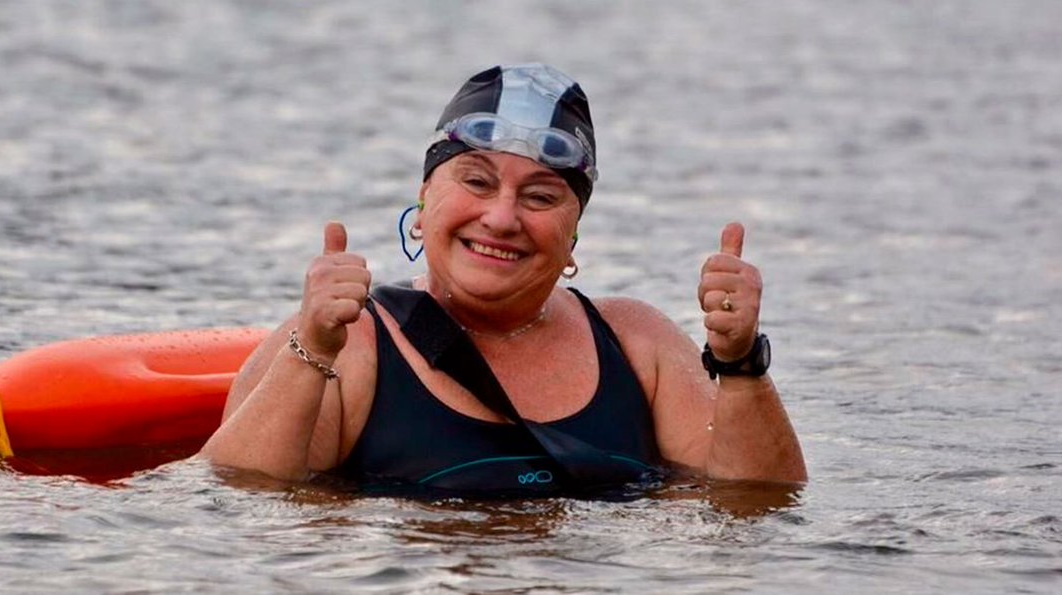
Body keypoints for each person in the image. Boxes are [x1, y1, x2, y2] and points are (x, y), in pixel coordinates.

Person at [200, 63, 806, 495]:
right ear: (424, 197)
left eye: (540, 197)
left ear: (573, 235)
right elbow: (238, 497)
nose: (502, 217)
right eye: (476, 182)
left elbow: (758, 502)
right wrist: (312, 353)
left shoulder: (636, 341)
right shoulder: (347, 345)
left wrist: (740, 363)